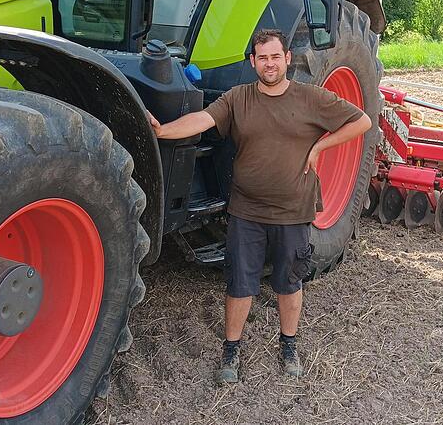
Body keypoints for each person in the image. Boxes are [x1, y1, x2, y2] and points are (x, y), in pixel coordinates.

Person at [148, 29, 371, 383]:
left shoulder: (311, 98)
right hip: (246, 212)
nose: (269, 63)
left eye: (275, 56)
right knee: (239, 283)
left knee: (288, 281)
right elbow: (203, 120)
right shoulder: (238, 98)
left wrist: (319, 148)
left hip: (293, 212)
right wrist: (161, 132)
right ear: (253, 62)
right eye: (262, 58)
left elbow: (362, 120)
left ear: (287, 59)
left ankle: (288, 345)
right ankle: (231, 350)